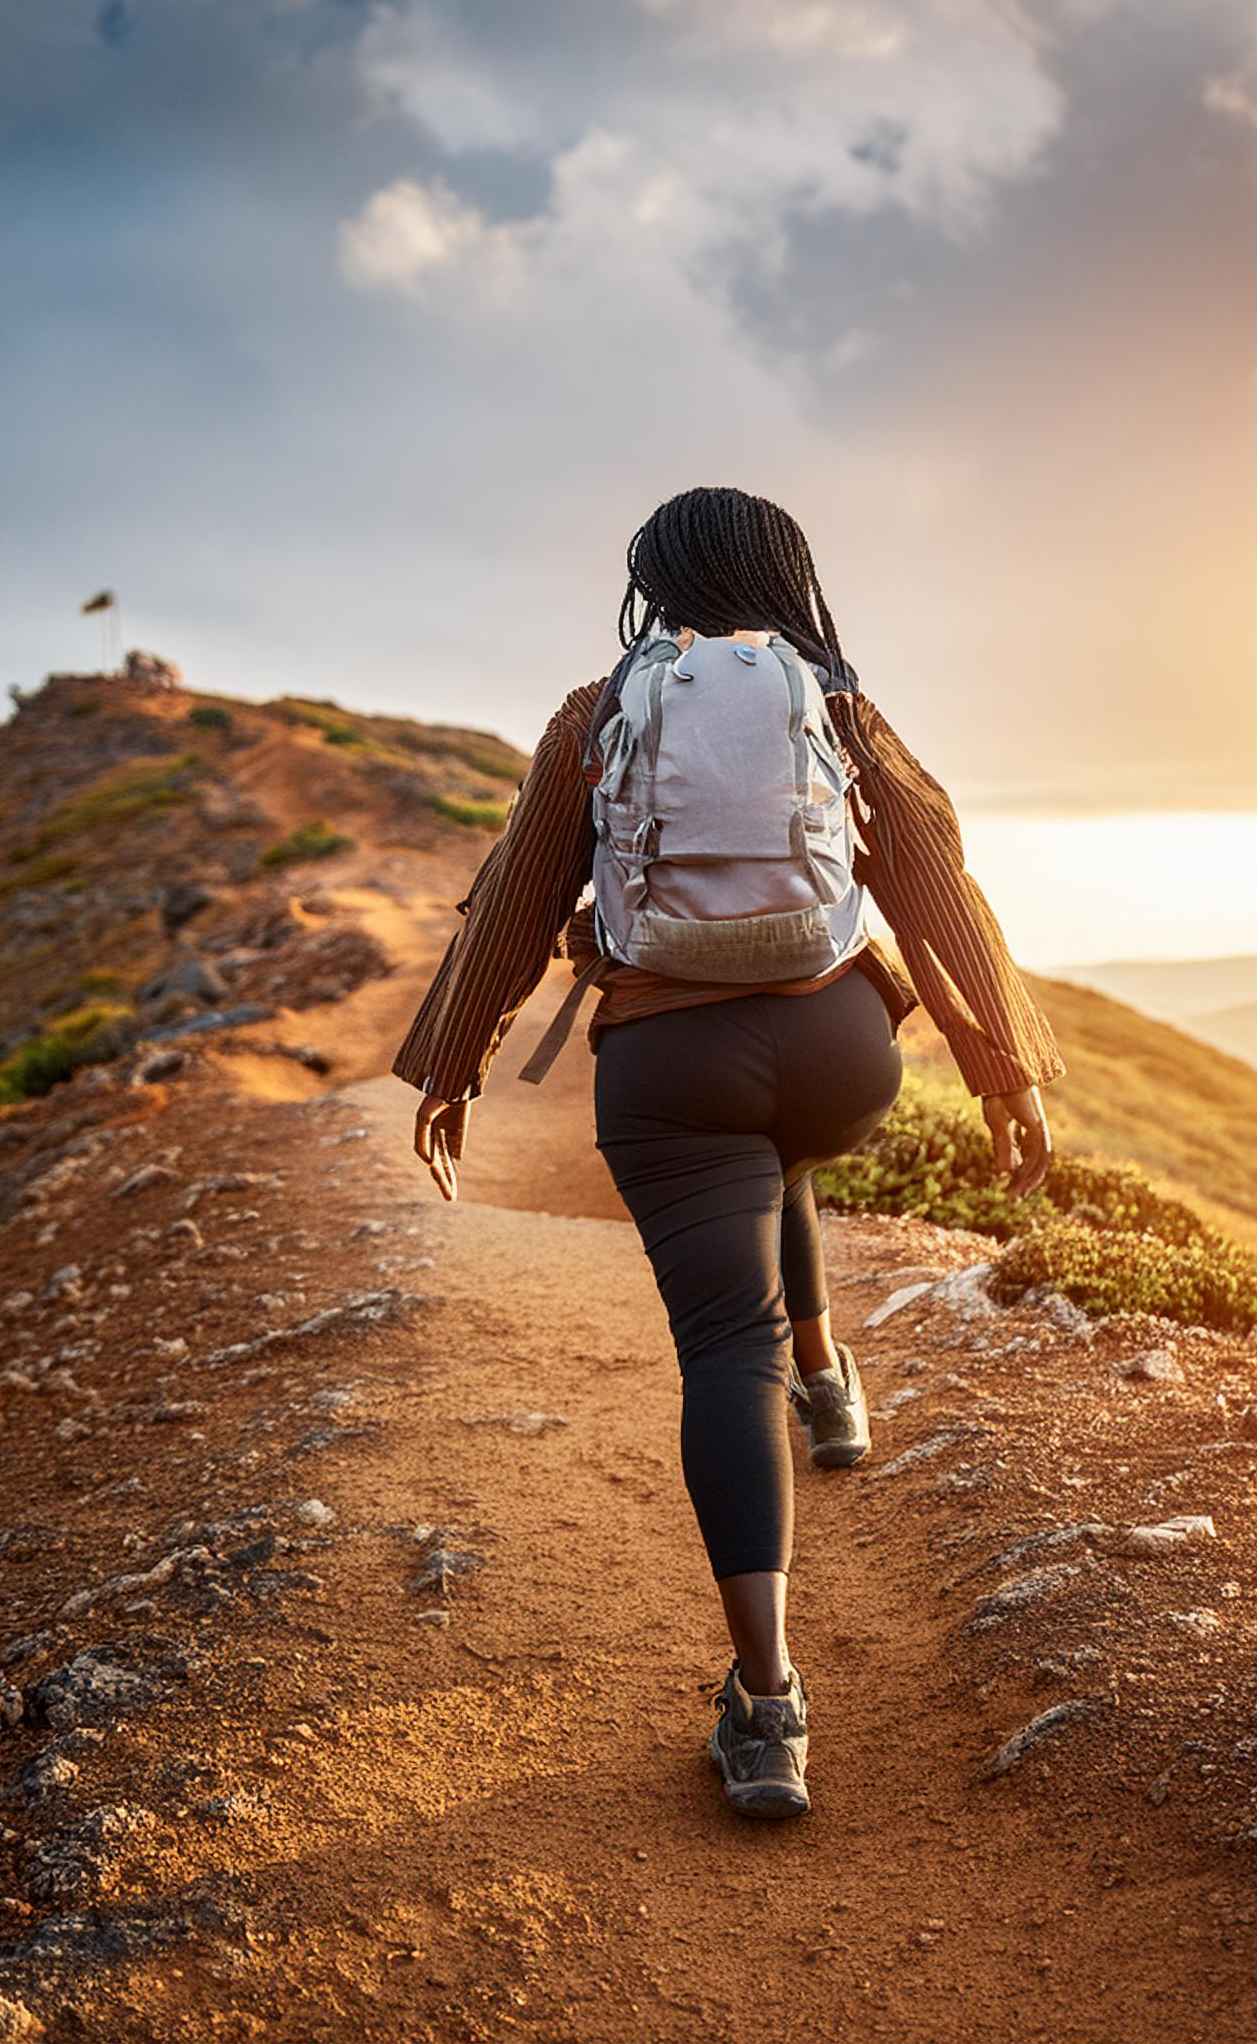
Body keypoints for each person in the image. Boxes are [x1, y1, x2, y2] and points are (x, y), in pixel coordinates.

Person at [389, 485, 1064, 1818]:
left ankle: (767, 1707)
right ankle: (828, 1374)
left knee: (721, 1348)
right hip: (838, 1063)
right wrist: (1004, 1069)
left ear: (653, 586)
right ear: (786, 578)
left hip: (673, 1072)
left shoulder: (598, 715)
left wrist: (454, 1066)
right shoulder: (838, 706)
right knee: (781, 1157)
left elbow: (521, 897)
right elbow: (934, 877)